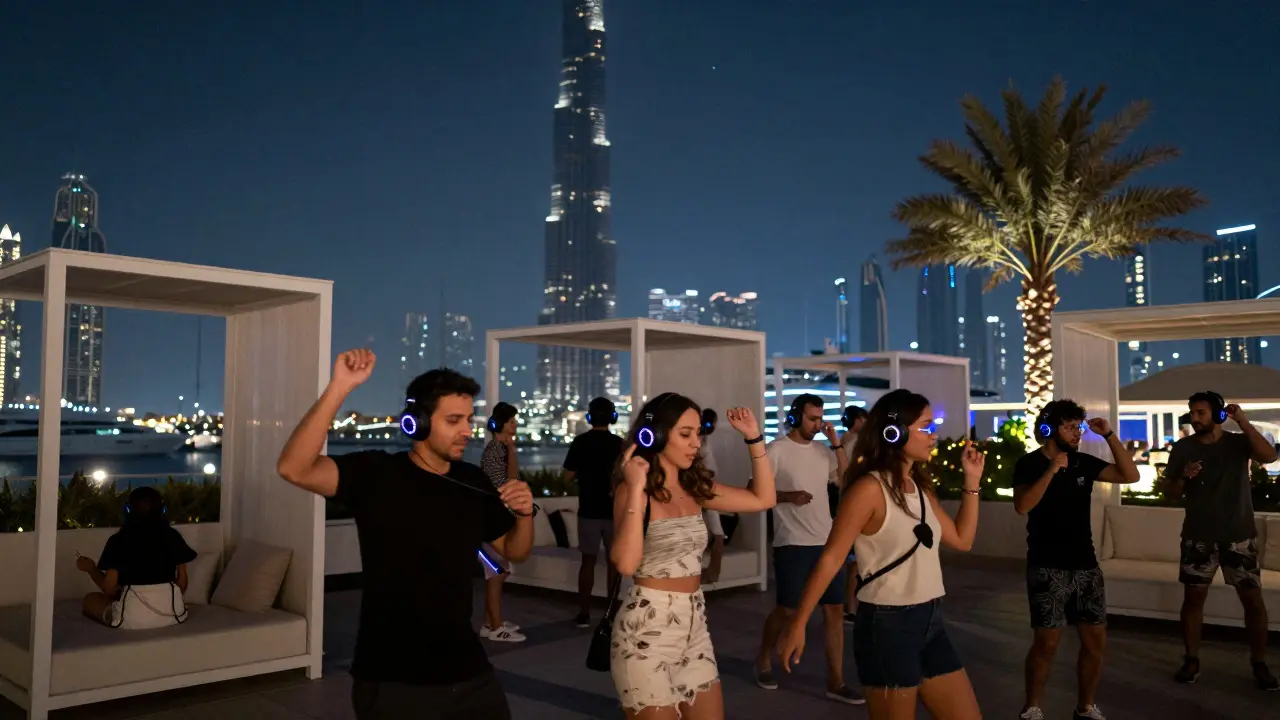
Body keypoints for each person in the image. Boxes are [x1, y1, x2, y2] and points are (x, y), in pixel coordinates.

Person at [276, 350, 535, 719]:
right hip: (394, 677)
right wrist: (340, 387)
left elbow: (514, 550)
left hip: (469, 670)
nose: (467, 430)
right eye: (454, 420)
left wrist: (525, 514)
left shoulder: (472, 481)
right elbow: (294, 467)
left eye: (469, 419)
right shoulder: (378, 473)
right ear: (417, 423)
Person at [778, 389, 985, 720]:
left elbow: (962, 540)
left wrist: (972, 482)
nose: (933, 436)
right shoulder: (868, 490)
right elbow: (832, 558)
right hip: (888, 625)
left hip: (931, 620)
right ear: (895, 433)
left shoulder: (921, 489)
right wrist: (798, 623)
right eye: (926, 427)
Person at [611, 395, 776, 719]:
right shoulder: (633, 492)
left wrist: (754, 438)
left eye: (697, 434)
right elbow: (626, 564)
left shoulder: (695, 487)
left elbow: (764, 498)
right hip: (647, 632)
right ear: (655, 435)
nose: (695, 443)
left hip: (694, 627)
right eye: (685, 434)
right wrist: (634, 489)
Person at [1013, 400, 1141, 720]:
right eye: (1069, 426)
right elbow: (1023, 506)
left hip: (1085, 565)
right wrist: (1052, 468)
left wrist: (1109, 434)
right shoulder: (1028, 464)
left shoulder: (1084, 462)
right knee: (1047, 643)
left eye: (1078, 427)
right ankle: (1032, 707)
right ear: (1049, 429)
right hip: (1047, 565)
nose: (1076, 433)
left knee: (1095, 642)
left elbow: (1130, 475)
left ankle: (1085, 707)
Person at [1162, 391, 1279, 691]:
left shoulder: (1238, 443)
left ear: (1217, 415)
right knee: (1193, 600)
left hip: (1238, 537)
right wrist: (1183, 477)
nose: (1195, 418)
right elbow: (1170, 493)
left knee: (1252, 601)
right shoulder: (1183, 448)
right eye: (1192, 412)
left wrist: (1243, 421)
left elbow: (1269, 456)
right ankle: (1191, 659)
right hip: (1198, 537)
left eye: (1201, 412)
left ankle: (1259, 663)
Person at [753, 394, 861, 705]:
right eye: (812, 419)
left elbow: (846, 481)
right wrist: (787, 496)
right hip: (792, 543)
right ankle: (763, 659)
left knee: (834, 610)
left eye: (820, 418)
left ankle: (836, 681)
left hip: (826, 542)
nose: (817, 424)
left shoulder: (823, 451)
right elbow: (754, 488)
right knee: (787, 610)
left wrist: (837, 445)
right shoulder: (776, 450)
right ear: (797, 415)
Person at [77, 486, 197, 629]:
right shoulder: (173, 536)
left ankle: (113, 615)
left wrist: (91, 569)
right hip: (174, 615)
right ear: (163, 510)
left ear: (127, 510)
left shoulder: (118, 540)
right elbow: (181, 585)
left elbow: (109, 588)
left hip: (133, 619)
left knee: (90, 600)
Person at [564, 396, 626, 628]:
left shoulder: (580, 442)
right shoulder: (619, 444)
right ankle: (610, 612)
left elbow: (567, 477)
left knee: (587, 561)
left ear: (589, 417)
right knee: (614, 563)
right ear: (612, 417)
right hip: (614, 511)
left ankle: (584, 613)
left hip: (588, 509)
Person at [478, 401, 524, 642]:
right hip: (490, 522)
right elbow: (507, 484)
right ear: (501, 424)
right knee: (496, 573)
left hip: (496, 520)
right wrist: (512, 451)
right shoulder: (497, 448)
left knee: (499, 572)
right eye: (512, 421)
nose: (515, 425)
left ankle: (490, 622)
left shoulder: (501, 447)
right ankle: (495, 627)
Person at [840, 405, 868, 623]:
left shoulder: (845, 442)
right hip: (857, 505)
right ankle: (850, 607)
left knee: (855, 562)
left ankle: (851, 606)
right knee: (856, 563)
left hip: (850, 503)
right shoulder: (853, 445)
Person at [699, 408, 727, 584]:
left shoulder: (704, 440)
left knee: (717, 534)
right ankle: (711, 573)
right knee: (717, 534)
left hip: (707, 490)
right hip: (703, 490)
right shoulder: (700, 441)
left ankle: (713, 572)